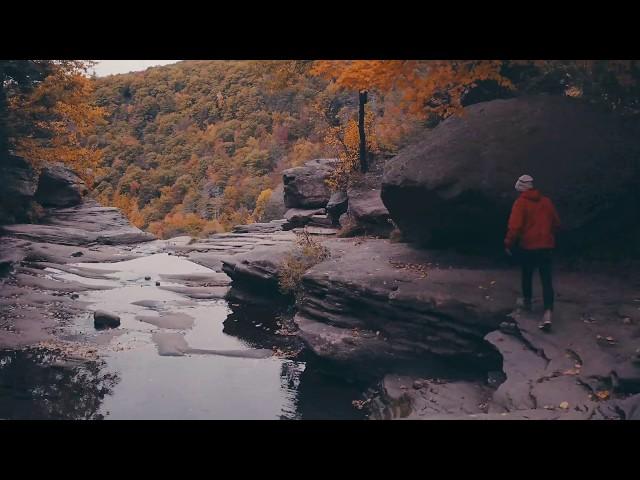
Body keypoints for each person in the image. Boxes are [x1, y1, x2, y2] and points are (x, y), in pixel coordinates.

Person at [504, 175, 561, 331]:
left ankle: (527, 302)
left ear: (520, 188)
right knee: (546, 279)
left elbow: (514, 227)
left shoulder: (520, 203)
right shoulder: (546, 202)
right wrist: (548, 235)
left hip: (528, 246)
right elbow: (556, 222)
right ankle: (548, 313)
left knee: (527, 273)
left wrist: (508, 243)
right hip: (546, 246)